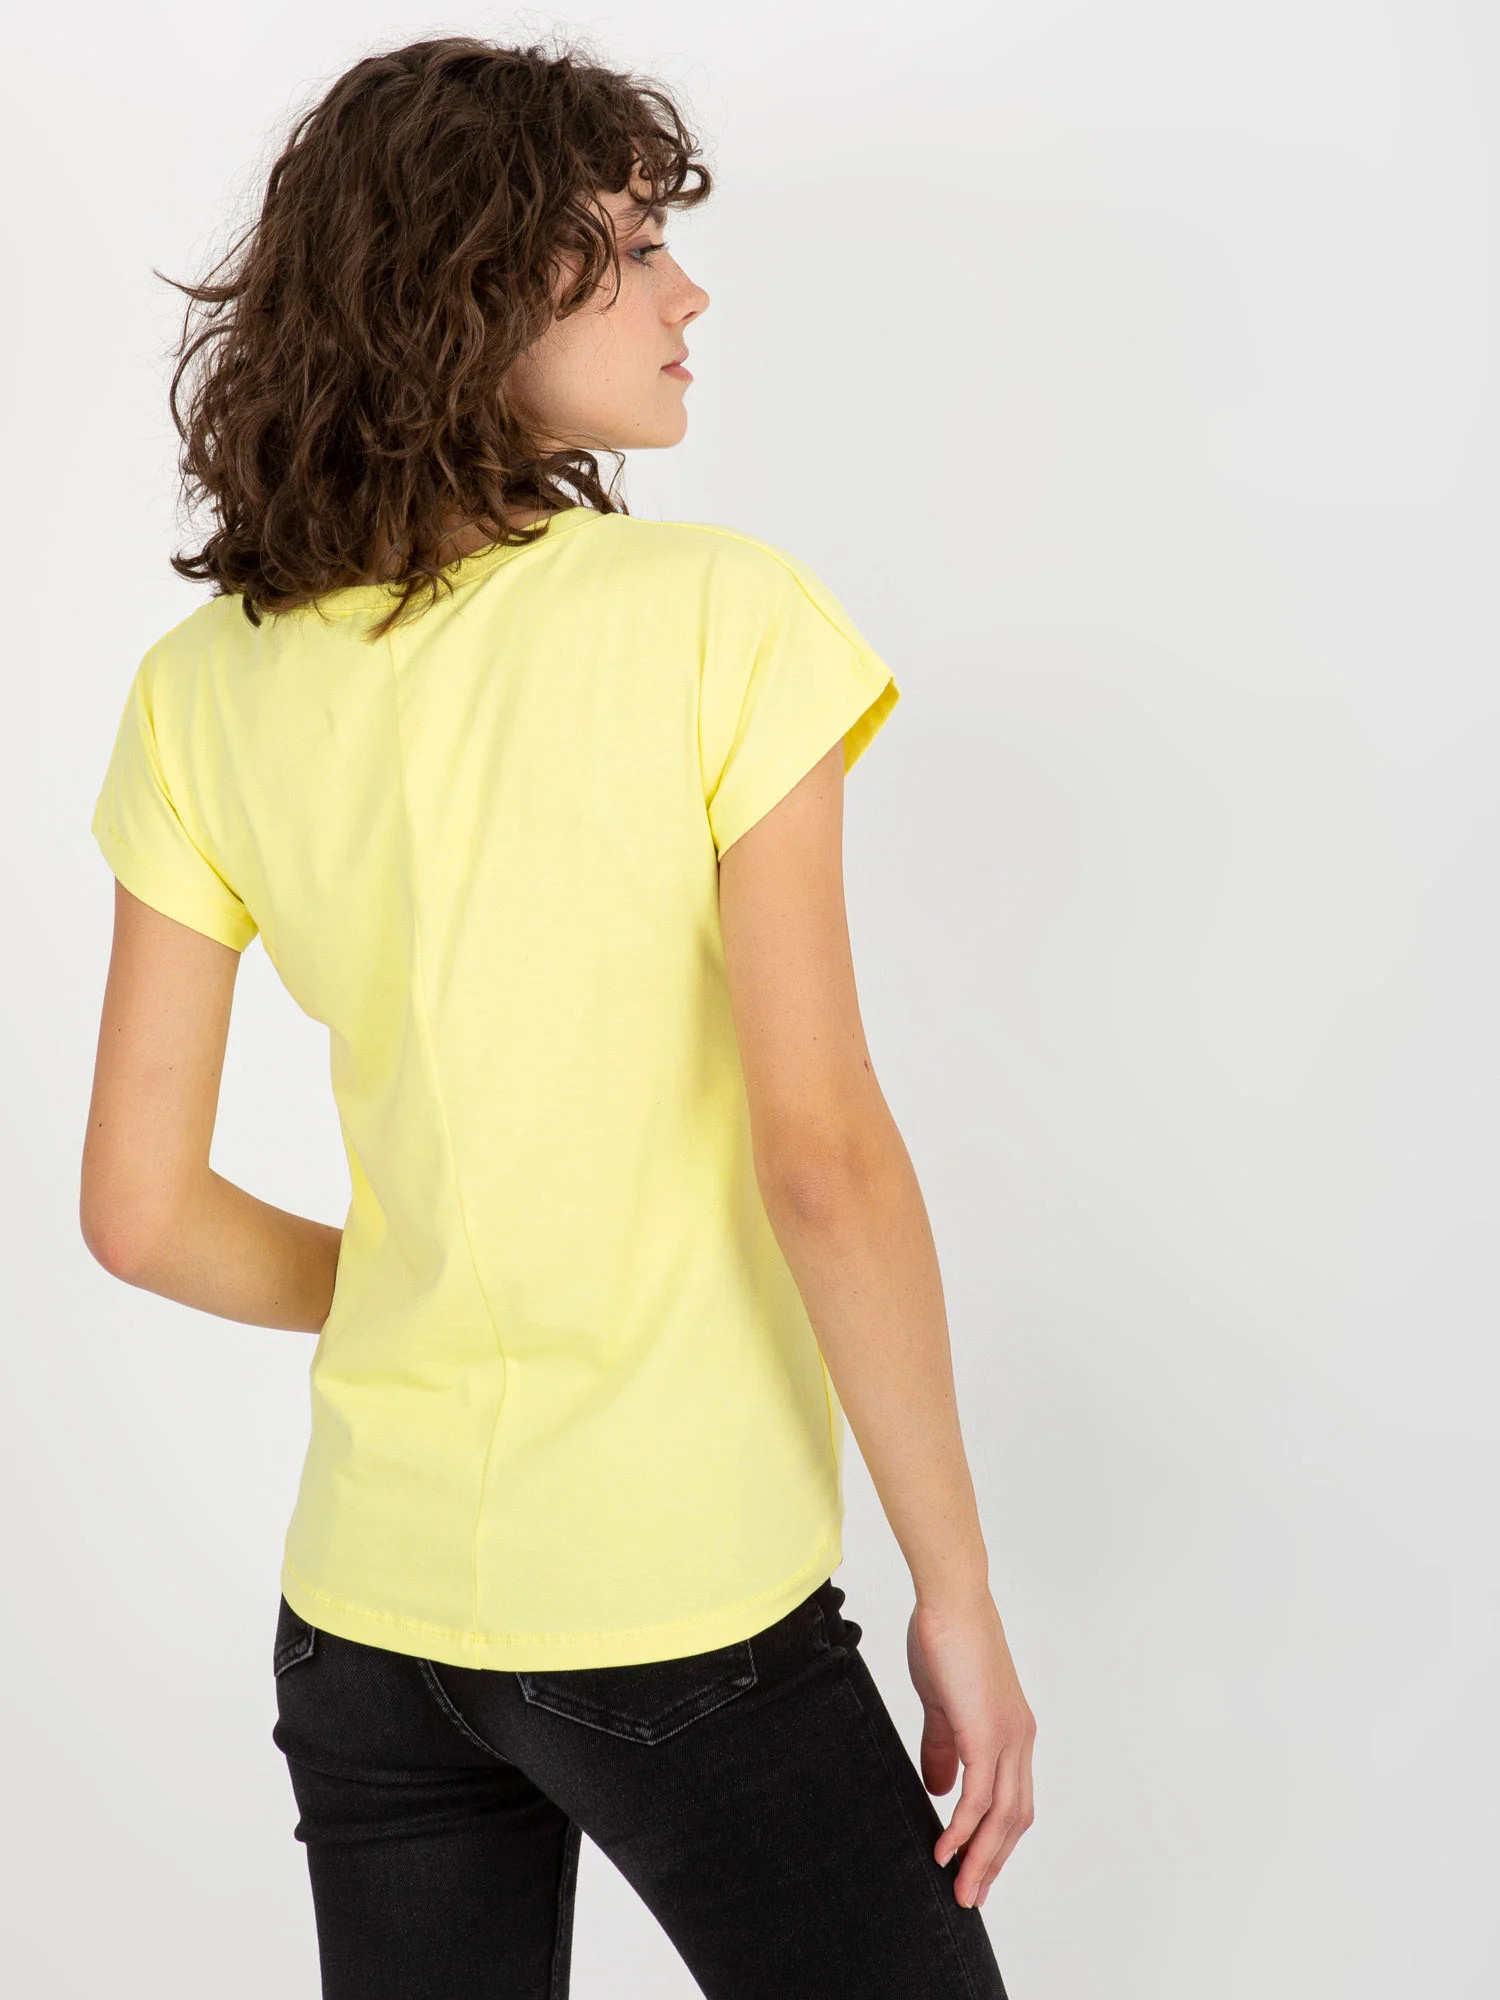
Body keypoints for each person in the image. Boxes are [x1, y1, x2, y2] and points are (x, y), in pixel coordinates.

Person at [80, 33, 1034, 2000]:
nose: (690, 295)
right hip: (672, 1600)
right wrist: (958, 1590)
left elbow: (141, 1213)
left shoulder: (204, 687)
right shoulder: (717, 615)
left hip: (364, 1620)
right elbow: (823, 1159)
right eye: (633, 248)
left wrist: (427, 1286)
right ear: (474, 284)